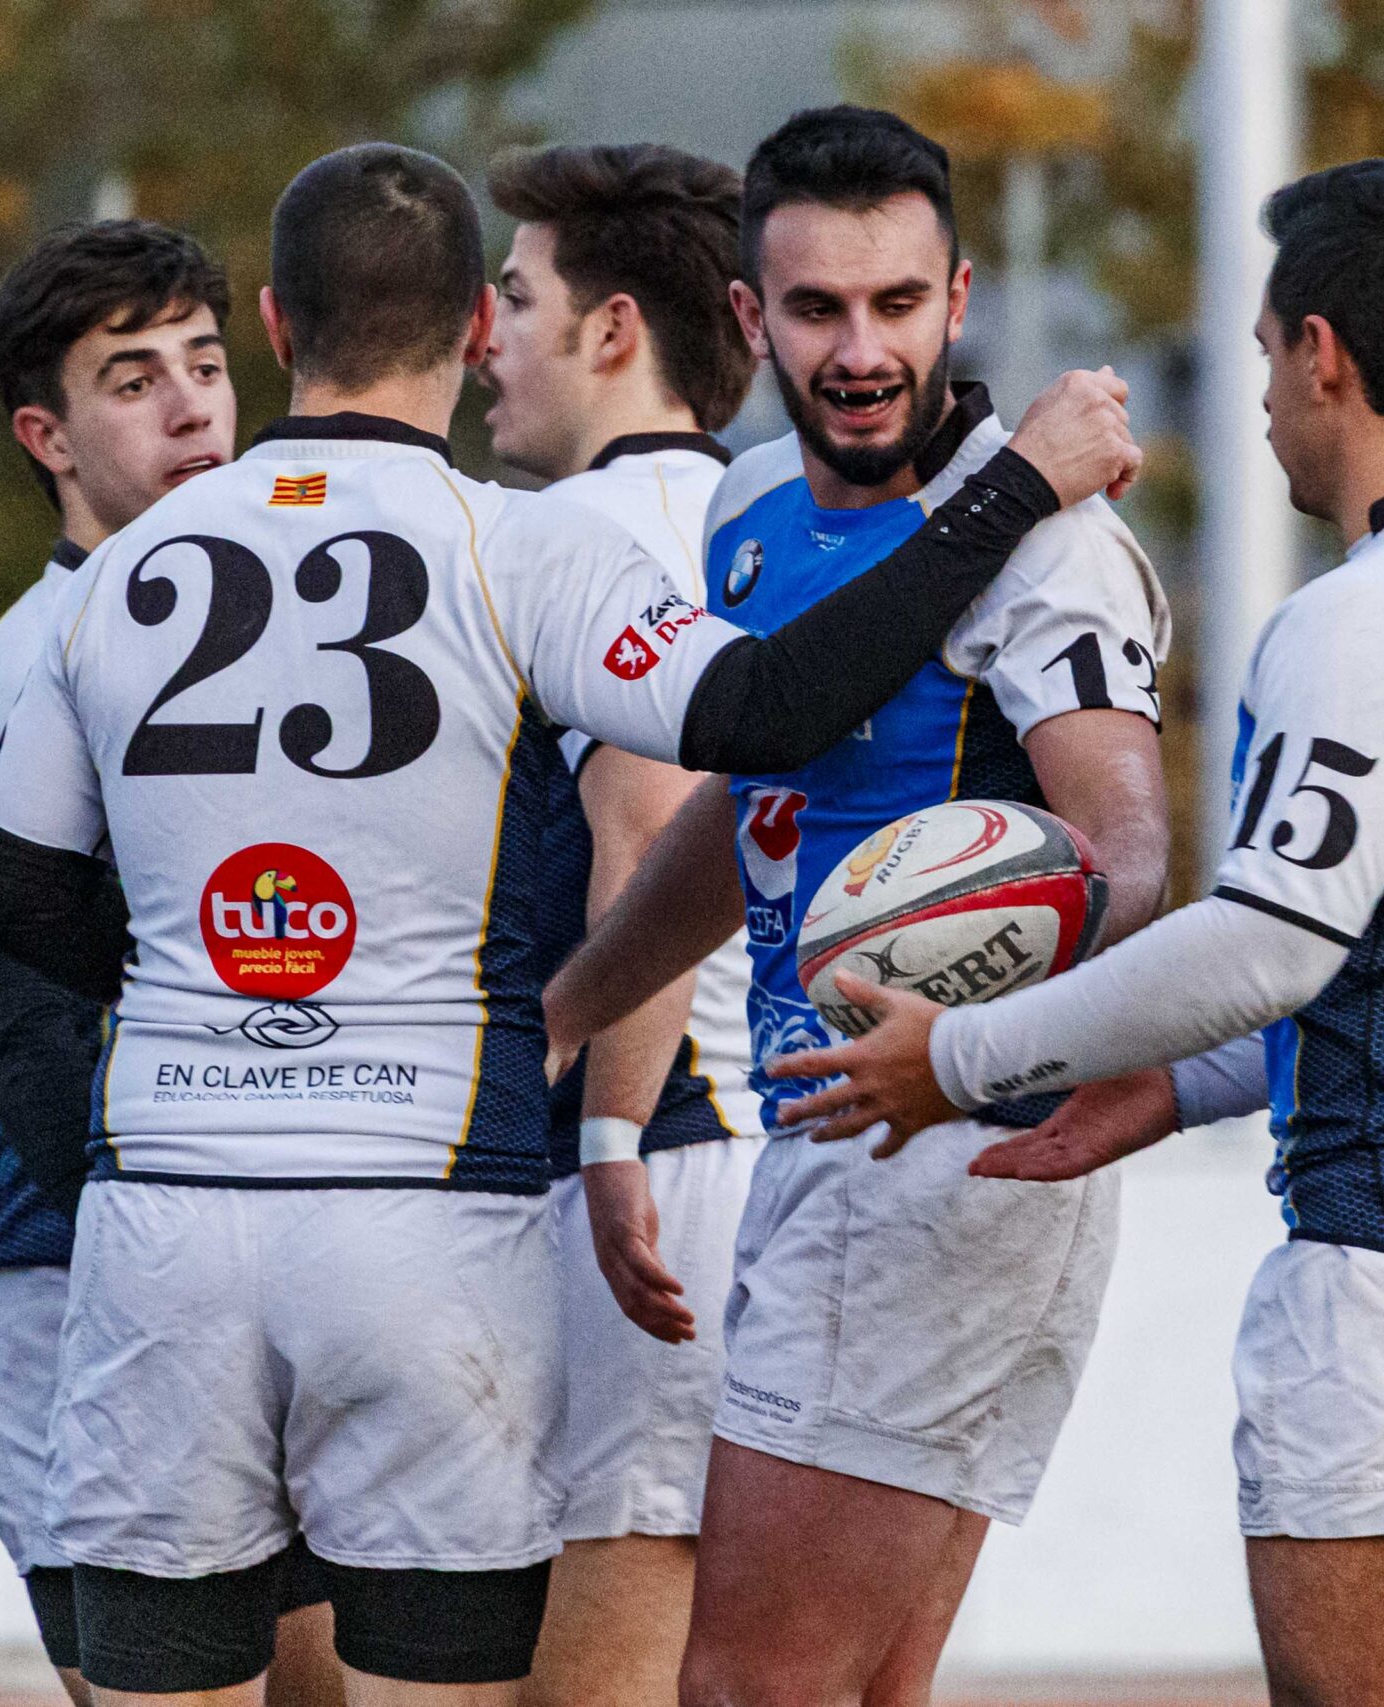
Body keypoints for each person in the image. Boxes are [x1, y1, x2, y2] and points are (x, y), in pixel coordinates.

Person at [0, 141, 1139, 1706]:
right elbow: (771, 707)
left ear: (272, 327)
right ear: (466, 329)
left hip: (167, 1210)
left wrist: (207, 984)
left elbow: (20, 903)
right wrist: (1012, 490)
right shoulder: (523, 541)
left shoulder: (113, 578)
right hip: (424, 1211)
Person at [774, 159, 1384, 1707]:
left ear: (1322, 352)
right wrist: (1169, 1087)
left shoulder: (1378, 609)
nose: (1258, 397)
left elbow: (1271, 941)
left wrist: (964, 1058)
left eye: (1261, 353)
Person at [538, 106, 1173, 1707]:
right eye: (818, 309)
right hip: (846, 1148)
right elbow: (749, 812)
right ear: (752, 321)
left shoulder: (1049, 540)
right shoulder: (745, 515)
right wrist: (575, 1003)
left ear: (960, 301)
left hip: (926, 1152)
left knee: (744, 1688)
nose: (862, 348)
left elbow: (1131, 852)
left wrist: (956, 1057)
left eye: (898, 304)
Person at [0, 218, 346, 1707]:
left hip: (231, 1278)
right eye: (131, 381)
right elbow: (28, 1045)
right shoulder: (40, 659)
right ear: (45, 435)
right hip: (66, 1280)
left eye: (207, 364)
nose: (189, 410)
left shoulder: (259, 621)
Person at [477, 143, 764, 1707]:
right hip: (740, 1157)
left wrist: (606, 1136)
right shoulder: (754, 512)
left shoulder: (603, 532)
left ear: (611, 334)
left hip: (664, 1162)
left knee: (604, 1656)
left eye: (516, 298)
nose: (484, 338)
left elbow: (650, 825)